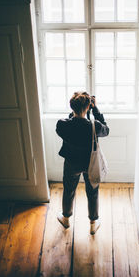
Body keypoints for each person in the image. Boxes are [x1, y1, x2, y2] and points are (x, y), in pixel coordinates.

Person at [56, 92, 109, 234]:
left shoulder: (62, 125)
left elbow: (71, 119)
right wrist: (95, 109)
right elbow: (106, 130)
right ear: (87, 107)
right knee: (92, 192)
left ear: (71, 106)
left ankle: (66, 218)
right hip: (89, 163)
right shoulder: (94, 126)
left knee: (69, 190)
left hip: (71, 162)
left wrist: (78, 110)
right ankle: (93, 222)